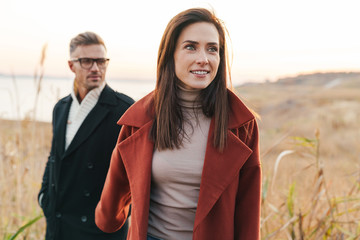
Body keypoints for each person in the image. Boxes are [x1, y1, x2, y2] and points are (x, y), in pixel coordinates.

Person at [95, 8, 261, 240]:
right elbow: (114, 196)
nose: (203, 58)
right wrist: (109, 217)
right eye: (191, 46)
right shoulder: (140, 118)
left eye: (212, 49)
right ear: (170, 54)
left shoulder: (241, 124)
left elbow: (248, 208)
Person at [38, 31, 133, 240]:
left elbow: (137, 175)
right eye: (87, 61)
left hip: (98, 230)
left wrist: (113, 217)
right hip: (58, 225)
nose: (96, 68)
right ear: (72, 66)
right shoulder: (60, 108)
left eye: (101, 61)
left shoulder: (125, 110)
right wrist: (44, 197)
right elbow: (55, 158)